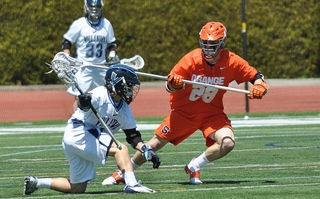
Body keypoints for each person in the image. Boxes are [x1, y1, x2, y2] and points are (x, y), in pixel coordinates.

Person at [102, 22, 269, 185]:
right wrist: (174, 84)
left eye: (213, 44)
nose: (208, 48)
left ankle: (194, 165)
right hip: (183, 113)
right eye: (205, 44)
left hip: (212, 114)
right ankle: (123, 173)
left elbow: (255, 75)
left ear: (223, 43)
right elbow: (169, 85)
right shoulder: (191, 59)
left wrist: (260, 85)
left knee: (228, 143)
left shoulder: (231, 61)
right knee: (152, 145)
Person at [24, 64, 160, 195]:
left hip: (76, 138)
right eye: (128, 85)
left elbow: (132, 136)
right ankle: (132, 185)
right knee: (120, 149)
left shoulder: (124, 108)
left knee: (77, 187)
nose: (131, 90)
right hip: (80, 133)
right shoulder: (100, 93)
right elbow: (84, 103)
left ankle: (36, 182)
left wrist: (145, 149)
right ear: (117, 83)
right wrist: (83, 102)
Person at [62, 0, 120, 113]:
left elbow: (111, 44)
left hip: (100, 67)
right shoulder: (79, 23)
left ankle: (100, 125)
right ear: (86, 7)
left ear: (101, 7)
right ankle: (75, 124)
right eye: (91, 6)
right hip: (83, 67)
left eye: (97, 6)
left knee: (104, 97)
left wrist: (112, 56)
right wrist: (67, 58)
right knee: (79, 97)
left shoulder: (106, 24)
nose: (94, 9)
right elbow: (67, 42)